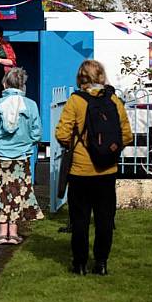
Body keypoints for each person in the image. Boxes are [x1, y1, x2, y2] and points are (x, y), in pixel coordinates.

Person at [55, 60, 132, 276]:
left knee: (80, 220)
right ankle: (101, 263)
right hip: (106, 171)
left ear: (81, 77)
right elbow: (126, 135)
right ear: (101, 76)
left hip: (80, 171)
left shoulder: (76, 101)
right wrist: (109, 151)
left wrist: (75, 144)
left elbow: (62, 134)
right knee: (105, 219)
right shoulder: (114, 100)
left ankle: (79, 264)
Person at [0, 67, 44, 245]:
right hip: (21, 156)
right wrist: (25, 142)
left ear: (4, 84)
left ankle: (2, 232)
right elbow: (37, 133)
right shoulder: (30, 105)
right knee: (18, 192)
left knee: (2, 192)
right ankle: (13, 232)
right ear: (23, 85)